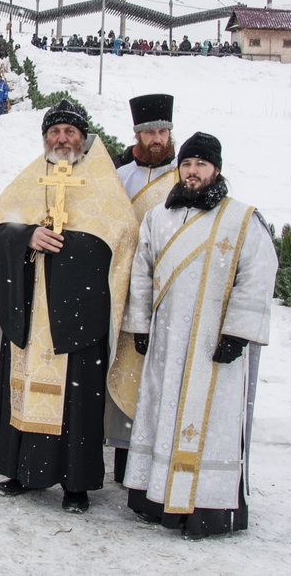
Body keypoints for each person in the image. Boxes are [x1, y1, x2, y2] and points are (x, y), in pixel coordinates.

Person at [0, 100, 138, 513]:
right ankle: (19, 470)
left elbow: (123, 239)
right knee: (22, 390)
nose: (62, 139)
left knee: (77, 402)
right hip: (31, 306)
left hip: (79, 312)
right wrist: (26, 237)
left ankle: (75, 485)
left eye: (70, 132)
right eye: (55, 132)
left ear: (83, 138)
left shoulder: (102, 182)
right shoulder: (32, 177)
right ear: (45, 138)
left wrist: (70, 250)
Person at [122, 132, 277, 539]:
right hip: (167, 341)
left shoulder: (241, 218)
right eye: (187, 164)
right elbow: (142, 272)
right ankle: (155, 497)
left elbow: (258, 277)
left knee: (211, 424)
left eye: (201, 165)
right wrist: (139, 324)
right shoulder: (159, 217)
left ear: (216, 170)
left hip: (214, 344)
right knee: (161, 413)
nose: (192, 172)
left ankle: (206, 506)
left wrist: (238, 333)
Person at [111, 93, 179, 480]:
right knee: (127, 370)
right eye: (149, 132)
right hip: (126, 286)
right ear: (136, 135)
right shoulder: (120, 178)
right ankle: (123, 455)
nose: (157, 139)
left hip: (167, 287)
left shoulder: (184, 176)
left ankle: (159, 451)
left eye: (162, 132)